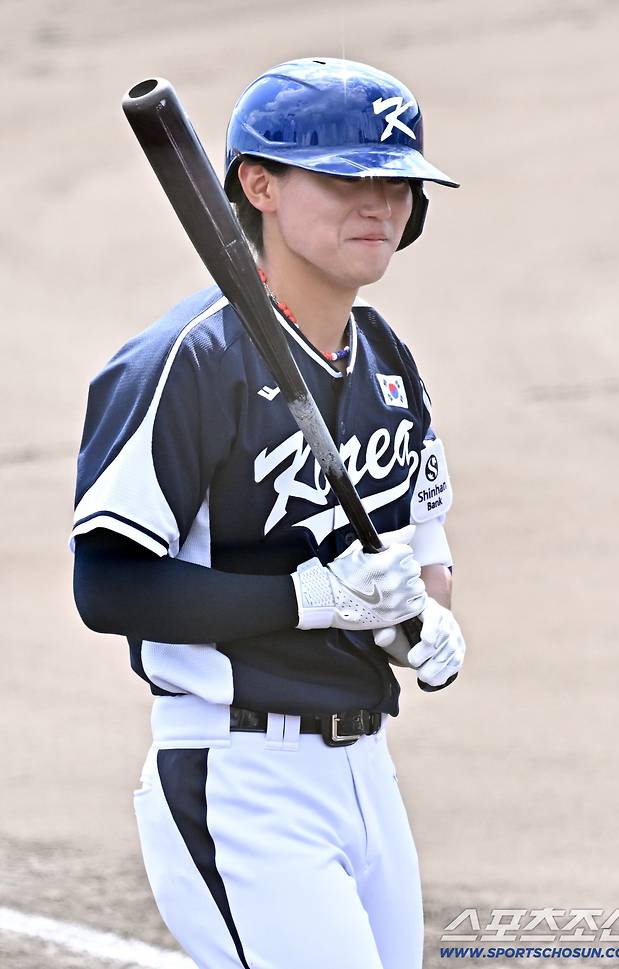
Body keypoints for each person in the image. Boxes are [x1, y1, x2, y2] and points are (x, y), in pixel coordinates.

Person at [70, 56, 466, 969]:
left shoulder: (388, 360)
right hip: (240, 777)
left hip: (369, 772)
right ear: (260, 186)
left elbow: (419, 537)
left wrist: (424, 618)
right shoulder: (185, 360)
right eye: (345, 177)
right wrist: (310, 599)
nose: (381, 202)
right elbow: (108, 583)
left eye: (396, 179)